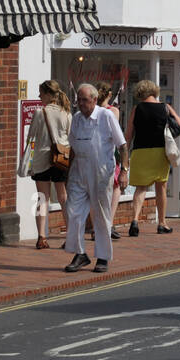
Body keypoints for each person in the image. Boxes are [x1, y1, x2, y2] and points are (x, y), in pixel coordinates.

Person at [65, 84, 126, 273]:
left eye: (84, 100)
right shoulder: (76, 119)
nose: (80, 104)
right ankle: (80, 254)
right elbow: (73, 147)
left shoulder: (106, 116)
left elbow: (122, 145)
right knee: (73, 212)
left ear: (94, 99)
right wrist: (69, 173)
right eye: (78, 100)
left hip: (101, 171)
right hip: (79, 170)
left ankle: (102, 257)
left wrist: (124, 171)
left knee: (100, 215)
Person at [124, 81, 180, 235]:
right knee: (160, 187)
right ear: (154, 91)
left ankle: (135, 221)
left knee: (140, 188)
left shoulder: (136, 109)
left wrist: (125, 157)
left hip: (140, 152)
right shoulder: (164, 107)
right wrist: (172, 112)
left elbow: (128, 135)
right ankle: (162, 223)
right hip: (159, 151)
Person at [29, 81, 72, 251]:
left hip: (41, 158)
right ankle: (71, 235)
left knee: (42, 197)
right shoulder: (66, 113)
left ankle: (41, 236)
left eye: (41, 93)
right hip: (61, 158)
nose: (39, 96)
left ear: (48, 94)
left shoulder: (40, 113)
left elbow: (31, 135)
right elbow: (71, 136)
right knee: (63, 197)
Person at [95, 83, 124, 241]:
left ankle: (97, 226)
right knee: (115, 188)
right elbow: (116, 135)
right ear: (109, 94)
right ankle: (108, 224)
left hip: (94, 153)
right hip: (110, 153)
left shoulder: (90, 111)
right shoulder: (113, 111)